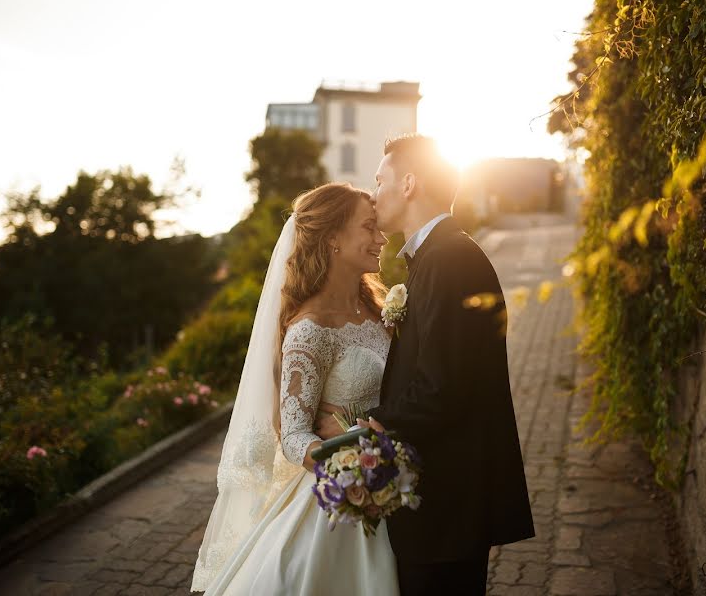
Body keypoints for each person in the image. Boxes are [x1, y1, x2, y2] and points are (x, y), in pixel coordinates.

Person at [317, 134, 534, 596]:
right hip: (442, 504)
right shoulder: (437, 256)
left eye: (380, 180)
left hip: (447, 506)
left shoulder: (449, 259)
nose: (374, 195)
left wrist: (364, 432)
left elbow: (441, 389)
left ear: (410, 183)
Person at [191, 183, 398, 595]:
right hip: (344, 499)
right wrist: (350, 471)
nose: (382, 237)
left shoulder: (379, 309)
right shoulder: (310, 329)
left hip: (394, 484)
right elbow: (294, 434)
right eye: (370, 227)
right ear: (334, 239)